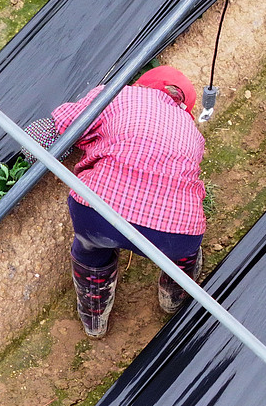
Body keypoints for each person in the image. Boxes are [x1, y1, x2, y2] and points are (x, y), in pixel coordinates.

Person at [23, 66, 206, 340]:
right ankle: (174, 293)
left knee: (90, 248)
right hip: (175, 233)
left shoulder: (117, 95)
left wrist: (36, 152)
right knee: (183, 246)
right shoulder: (193, 133)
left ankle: (94, 316)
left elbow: (54, 130)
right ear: (186, 109)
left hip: (98, 215)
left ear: (142, 85)